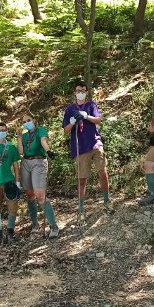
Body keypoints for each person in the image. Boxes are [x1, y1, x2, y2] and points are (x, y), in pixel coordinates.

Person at [62, 81, 112, 221]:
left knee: (103, 171)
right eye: (78, 90)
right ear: (74, 92)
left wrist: (86, 116)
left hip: (95, 143)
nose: (81, 92)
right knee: (82, 179)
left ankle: (107, 201)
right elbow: (65, 131)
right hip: (80, 147)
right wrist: (72, 123)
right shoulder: (69, 109)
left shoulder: (91, 105)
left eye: (83, 90)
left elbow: (98, 120)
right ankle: (81, 209)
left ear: (87, 92)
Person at [16, 113, 59, 239]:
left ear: (34, 120)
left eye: (29, 120)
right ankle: (35, 224)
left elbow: (43, 141)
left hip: (39, 162)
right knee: (29, 194)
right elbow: (21, 152)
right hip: (25, 162)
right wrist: (19, 137)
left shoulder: (41, 130)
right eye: (25, 122)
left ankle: (53, 226)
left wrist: (49, 151)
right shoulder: (24, 136)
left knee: (40, 195)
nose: (27, 122)